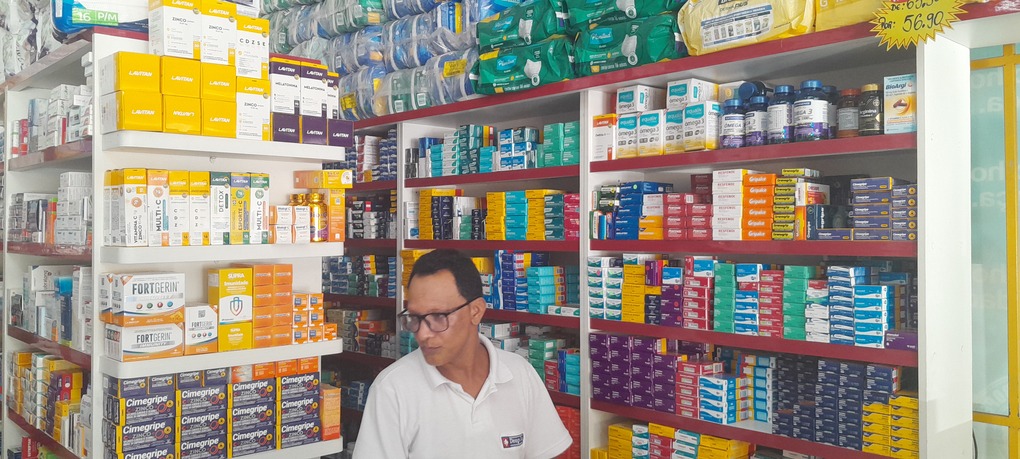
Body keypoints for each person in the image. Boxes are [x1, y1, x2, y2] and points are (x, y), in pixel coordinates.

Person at [353, 249, 572, 459]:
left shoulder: (520, 374)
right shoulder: (392, 389)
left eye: (438, 317)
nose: (422, 333)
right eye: (415, 317)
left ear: (476, 311)